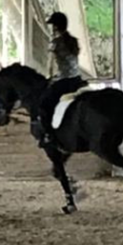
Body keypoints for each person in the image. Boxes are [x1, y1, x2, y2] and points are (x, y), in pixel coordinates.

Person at [37, 12, 87, 147]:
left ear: (55, 27)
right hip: (77, 79)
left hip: (64, 81)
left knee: (43, 105)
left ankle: (48, 135)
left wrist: (48, 78)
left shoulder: (55, 43)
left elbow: (50, 65)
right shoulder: (74, 41)